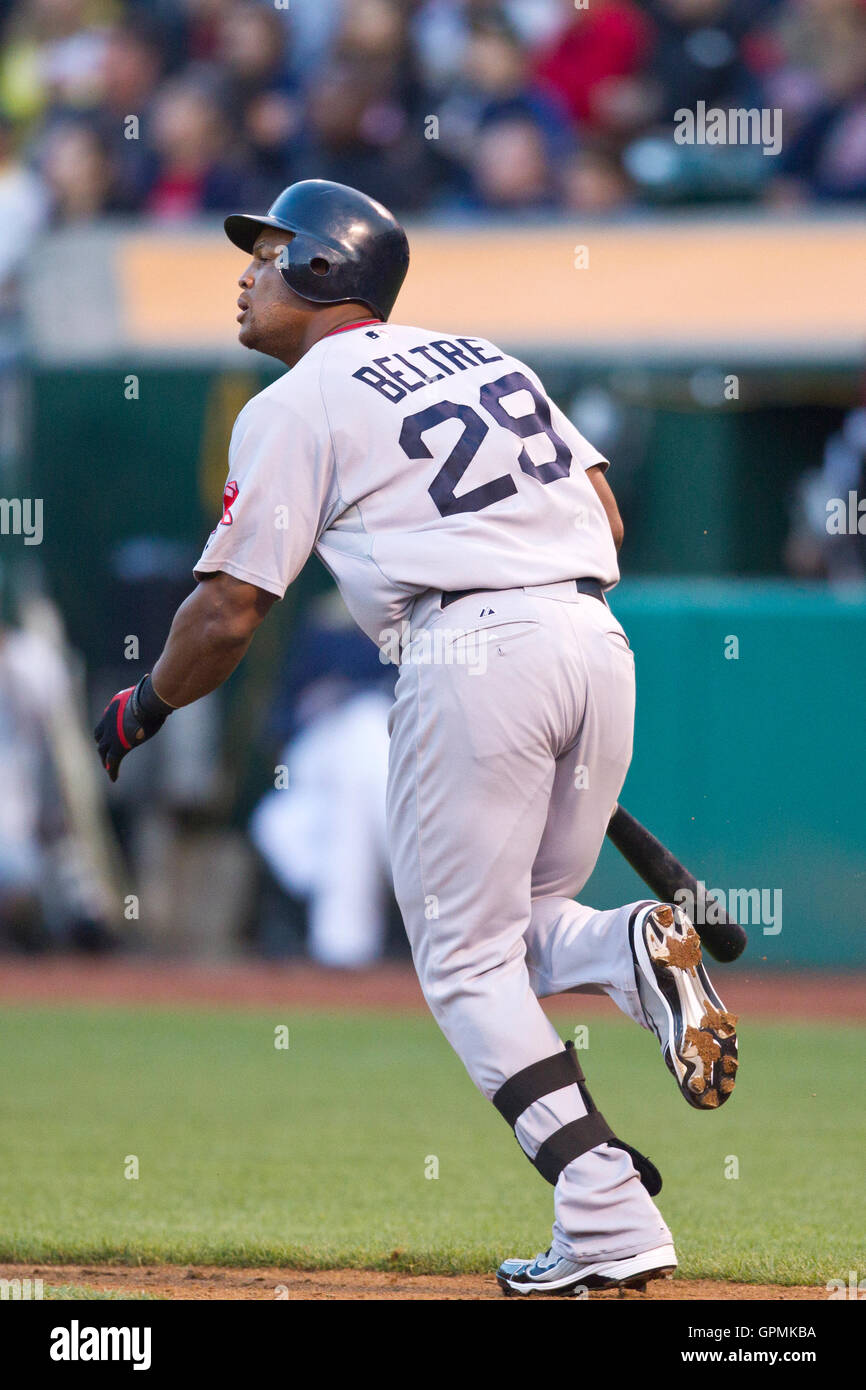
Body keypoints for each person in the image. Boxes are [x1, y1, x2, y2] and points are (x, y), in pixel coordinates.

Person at [94, 178, 739, 1297]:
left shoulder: (292, 402)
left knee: (458, 960)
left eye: (269, 251)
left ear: (323, 270)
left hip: (469, 647)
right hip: (591, 633)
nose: (245, 272)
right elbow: (607, 512)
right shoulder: (486, 356)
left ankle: (605, 1210)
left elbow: (230, 607)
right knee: (522, 930)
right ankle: (633, 946)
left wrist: (144, 702)